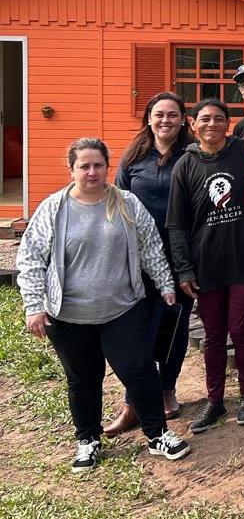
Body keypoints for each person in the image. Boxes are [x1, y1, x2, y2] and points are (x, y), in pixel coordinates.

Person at [16, 137, 191, 473]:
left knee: (139, 370)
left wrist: (165, 284)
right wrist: (33, 305)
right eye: (84, 166)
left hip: (122, 308)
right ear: (71, 170)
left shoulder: (126, 202)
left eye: (98, 165)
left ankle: (158, 435)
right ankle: (87, 440)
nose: (92, 172)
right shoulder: (54, 208)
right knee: (82, 378)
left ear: (108, 168)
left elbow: (150, 246)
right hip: (68, 315)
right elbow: (31, 258)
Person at [104, 92, 196, 437]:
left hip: (180, 256)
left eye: (173, 115)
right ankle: (135, 401)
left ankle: (167, 387)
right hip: (139, 258)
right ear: (148, 118)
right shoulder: (133, 158)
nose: (165, 121)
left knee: (174, 326)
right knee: (137, 329)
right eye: (159, 115)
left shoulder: (191, 156)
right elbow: (116, 205)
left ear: (183, 119)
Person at [167, 98, 244, 433]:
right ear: (192, 124)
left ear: (228, 122)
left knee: (240, 329)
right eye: (204, 119)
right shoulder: (186, 165)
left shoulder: (243, 152)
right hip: (206, 265)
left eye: (219, 118)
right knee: (213, 336)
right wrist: (184, 270)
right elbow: (176, 224)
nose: (212, 124)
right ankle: (215, 400)